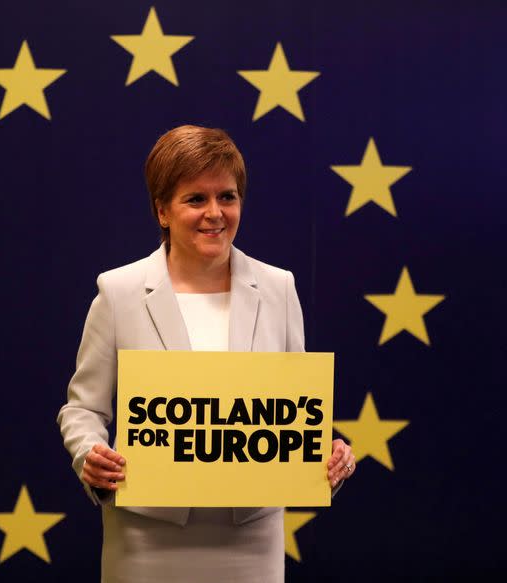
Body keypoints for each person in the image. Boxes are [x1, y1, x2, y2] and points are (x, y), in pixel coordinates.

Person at [57, 125, 355, 582]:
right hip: (145, 537)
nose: (215, 213)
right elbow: (83, 409)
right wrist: (91, 454)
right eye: (196, 199)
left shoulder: (279, 288)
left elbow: (294, 409)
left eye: (228, 197)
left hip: (250, 537)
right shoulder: (117, 292)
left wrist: (327, 455)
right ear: (162, 210)